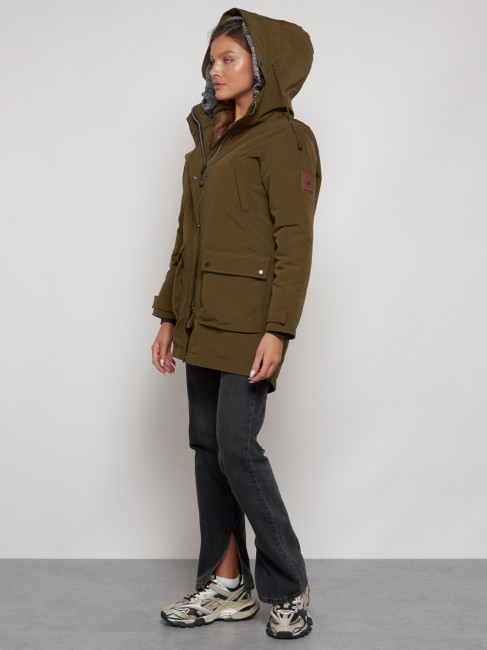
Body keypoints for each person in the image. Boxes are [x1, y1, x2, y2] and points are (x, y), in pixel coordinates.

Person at [151, 8, 322, 641]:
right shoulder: (208, 141)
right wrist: (169, 314)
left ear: (262, 65)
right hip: (201, 319)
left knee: (236, 447)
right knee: (207, 448)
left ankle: (289, 586)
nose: (215, 69)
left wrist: (279, 329)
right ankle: (227, 584)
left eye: (229, 58)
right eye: (212, 59)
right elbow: (186, 239)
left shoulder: (287, 139)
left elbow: (294, 242)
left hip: (250, 325)